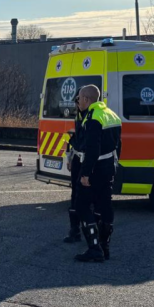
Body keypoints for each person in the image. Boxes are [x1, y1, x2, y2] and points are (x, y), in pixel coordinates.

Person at [73, 84, 122, 263]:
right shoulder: (112, 115)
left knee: (82, 206)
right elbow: (119, 145)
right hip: (109, 167)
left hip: (95, 169)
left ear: (86, 99)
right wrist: (114, 165)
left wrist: (85, 173)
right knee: (105, 206)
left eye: (79, 98)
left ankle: (94, 248)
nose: (78, 101)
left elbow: (93, 149)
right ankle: (105, 247)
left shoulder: (93, 118)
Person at [63, 95, 85, 243]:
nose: (76, 104)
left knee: (86, 197)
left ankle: (91, 235)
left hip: (87, 161)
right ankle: (75, 230)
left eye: (77, 101)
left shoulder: (92, 117)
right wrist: (69, 158)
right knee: (75, 195)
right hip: (78, 159)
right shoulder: (79, 116)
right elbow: (75, 140)